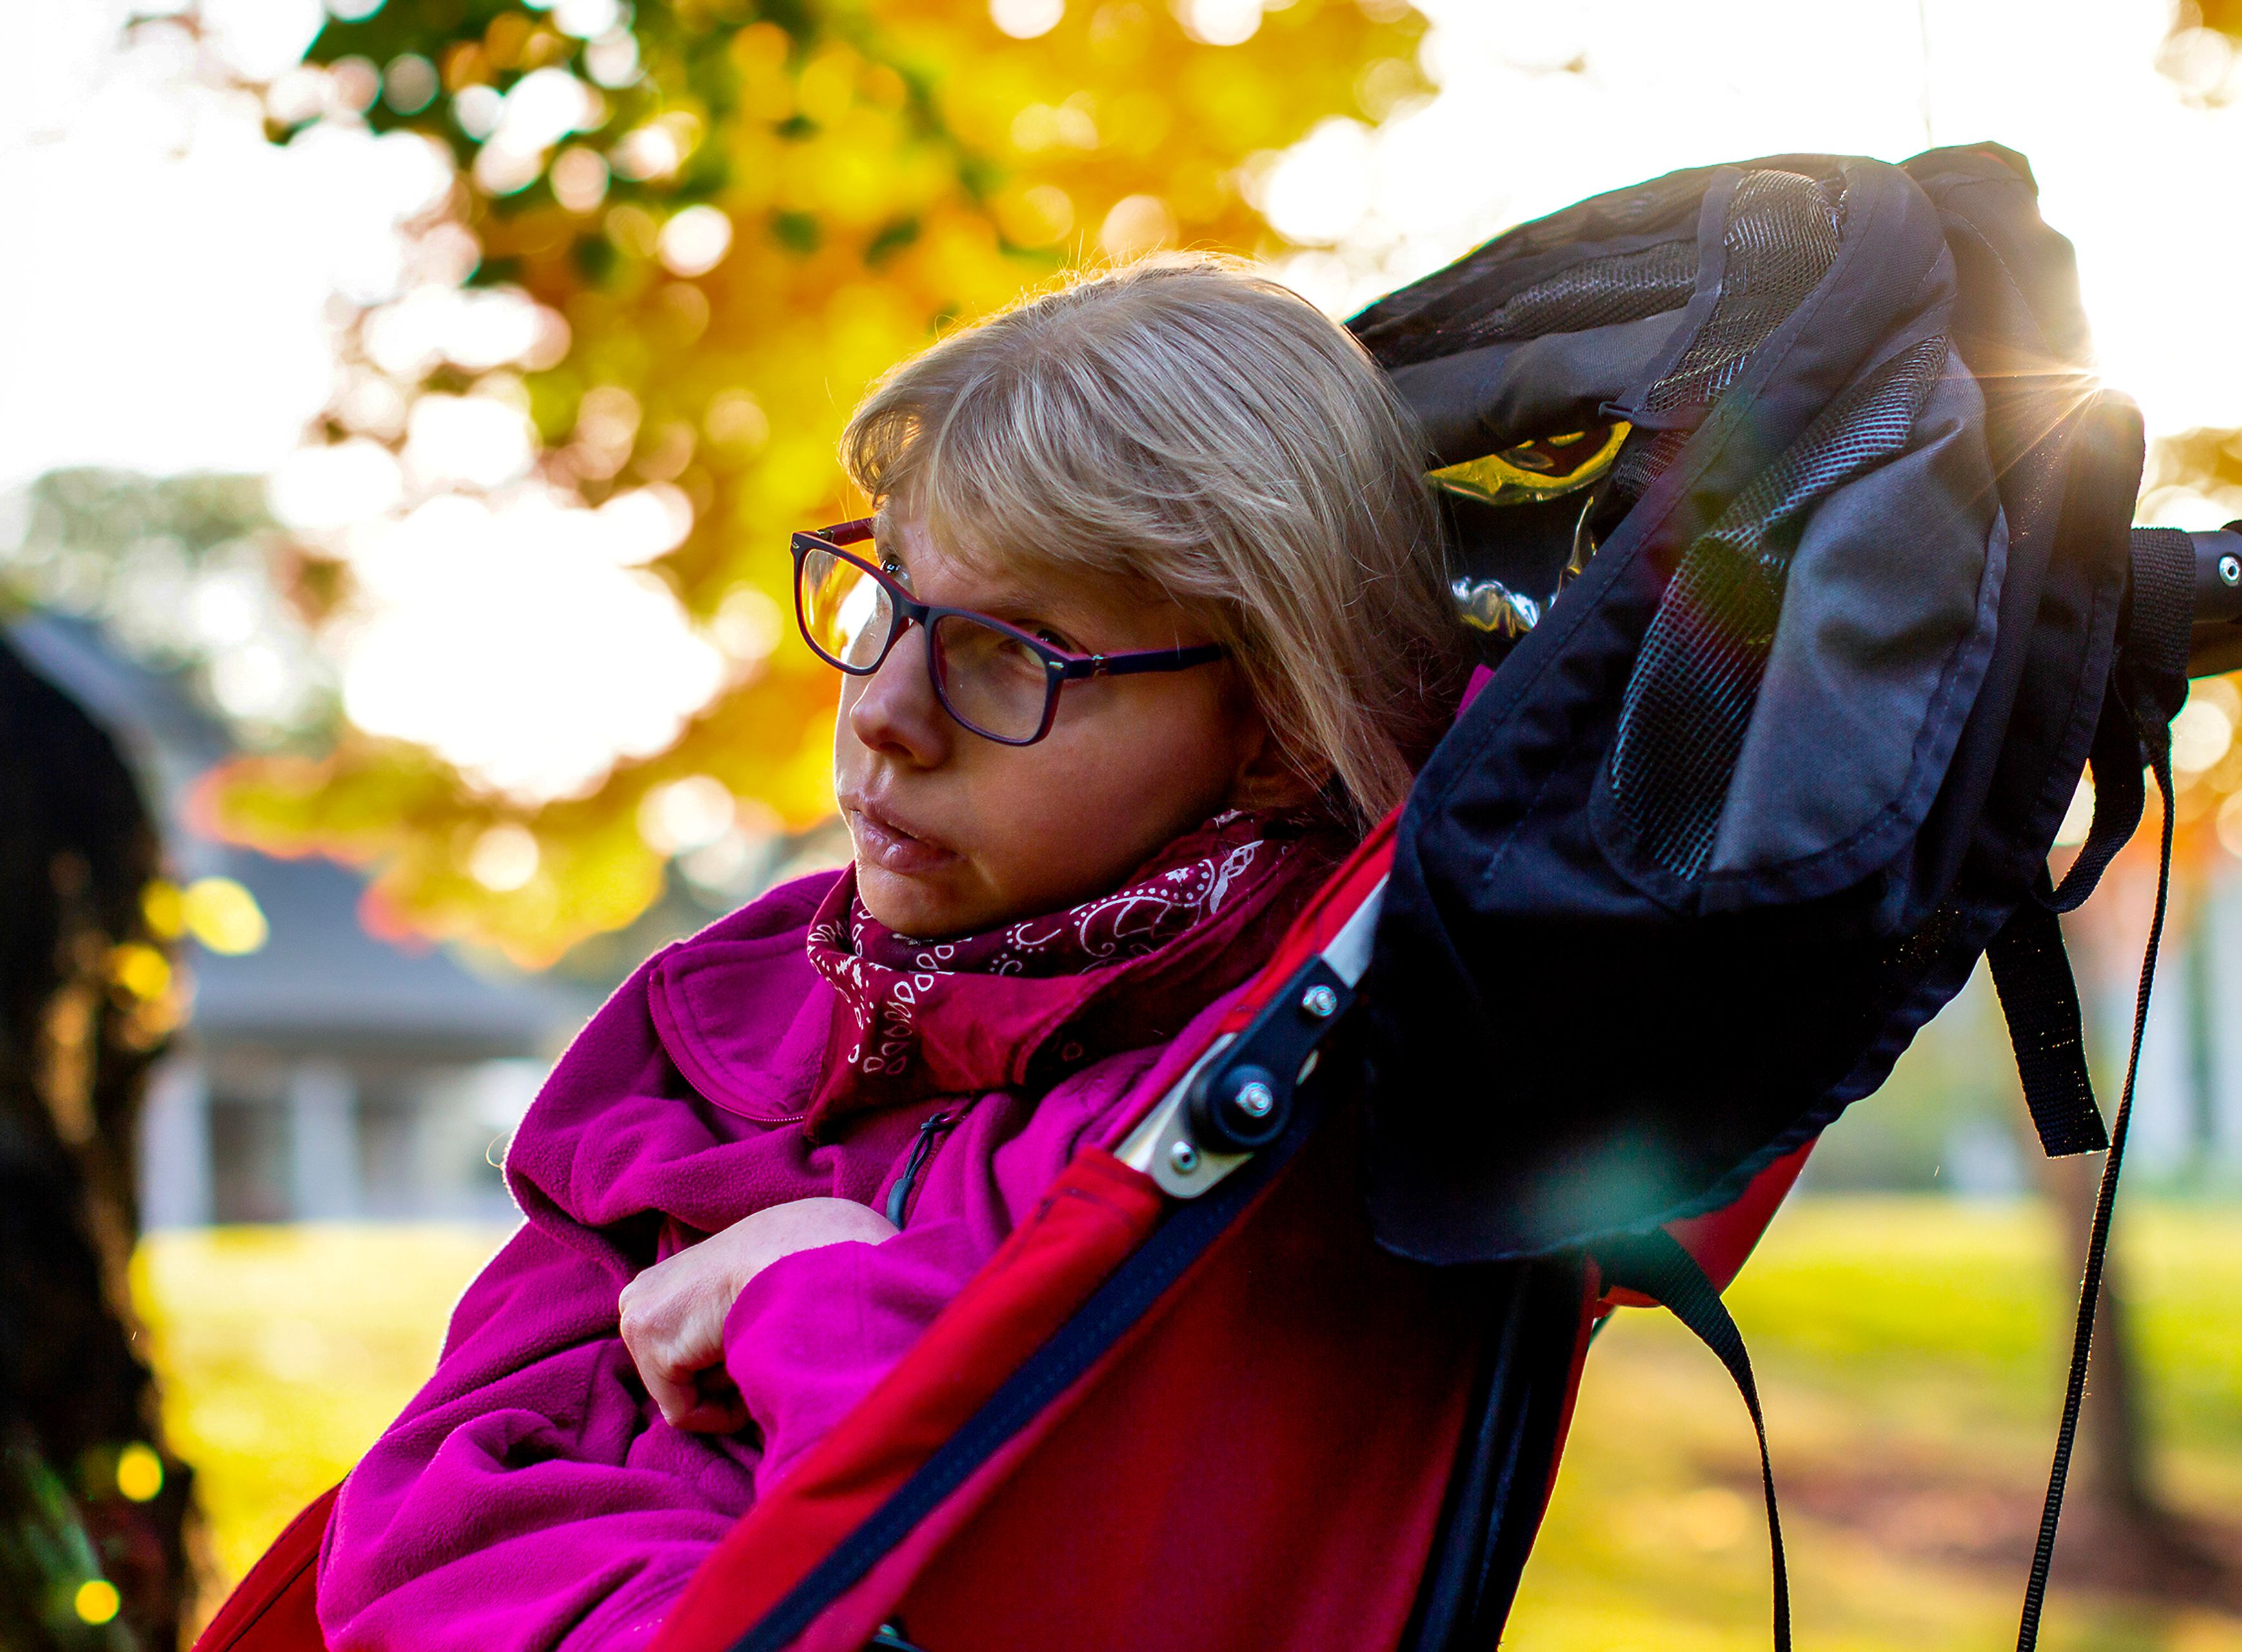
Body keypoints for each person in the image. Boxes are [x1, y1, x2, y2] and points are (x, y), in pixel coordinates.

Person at [315, 254, 1468, 1651]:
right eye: (890, 596)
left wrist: (809, 1283)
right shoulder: (730, 1028)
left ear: (1278, 733)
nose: (886, 711)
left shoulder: (1269, 1123)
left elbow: (1019, 1591)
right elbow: (419, 1529)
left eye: (1016, 652)